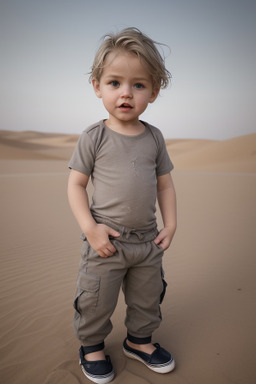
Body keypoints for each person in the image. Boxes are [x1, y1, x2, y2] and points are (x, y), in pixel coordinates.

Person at [67, 27, 177, 384]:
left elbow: (165, 183)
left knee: (148, 298)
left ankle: (139, 341)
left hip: (147, 242)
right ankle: (92, 346)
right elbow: (76, 185)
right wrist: (90, 228)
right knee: (96, 300)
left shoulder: (154, 137)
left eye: (139, 85)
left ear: (154, 92)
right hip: (106, 242)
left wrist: (171, 225)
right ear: (97, 86)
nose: (126, 93)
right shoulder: (93, 136)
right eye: (115, 82)